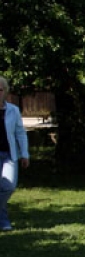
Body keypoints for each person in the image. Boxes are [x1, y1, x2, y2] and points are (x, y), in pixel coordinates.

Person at [0, 77, 29, 231]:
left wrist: (25, 154)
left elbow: (20, 133)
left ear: (5, 92)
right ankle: (3, 220)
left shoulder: (13, 110)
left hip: (9, 154)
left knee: (9, 186)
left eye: (0, 90)